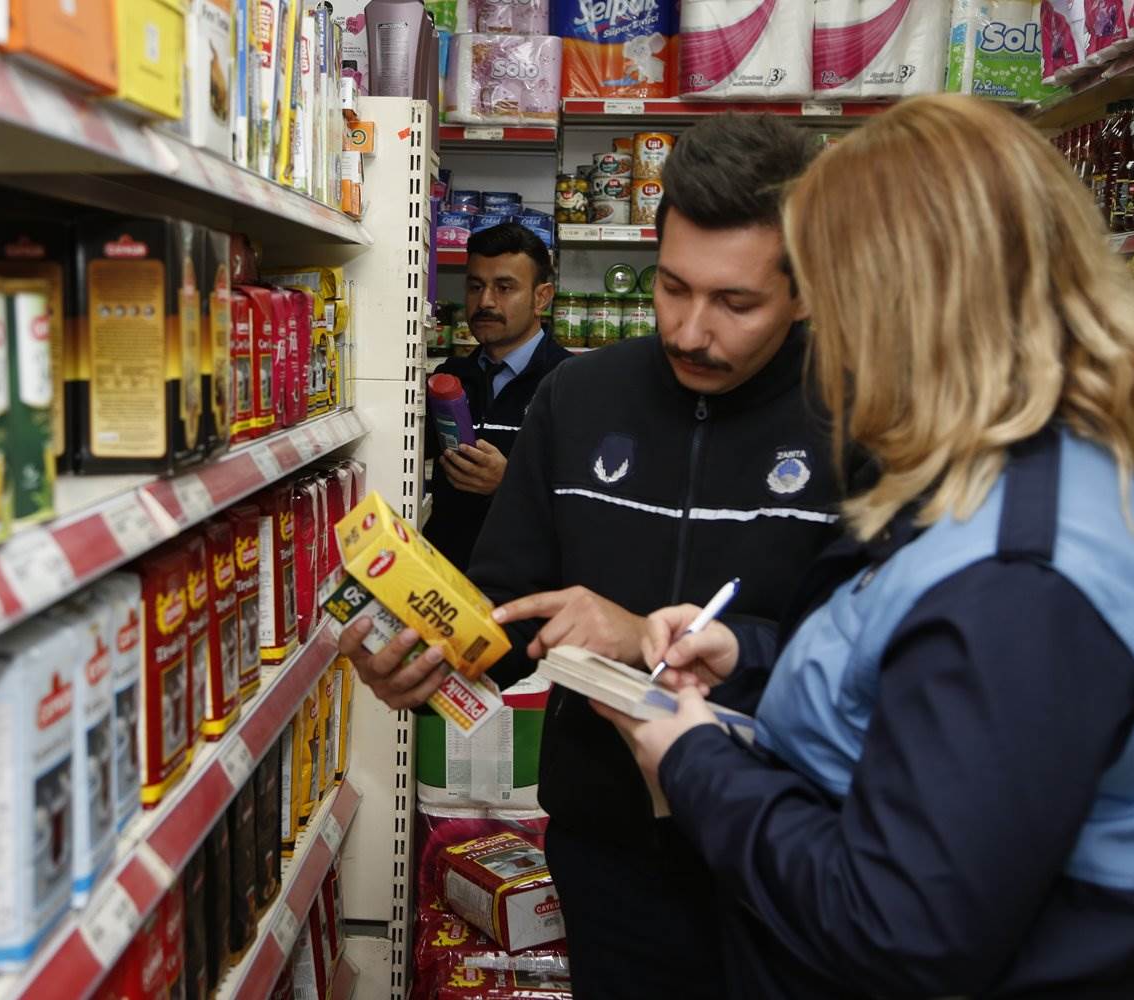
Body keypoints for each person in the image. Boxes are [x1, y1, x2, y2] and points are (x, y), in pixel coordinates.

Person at [603, 94, 1134, 998]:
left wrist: (696, 765)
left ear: (905, 312)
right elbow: (921, 693)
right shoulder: (1022, 472)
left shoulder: (1023, 579)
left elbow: (903, 929)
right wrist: (752, 653)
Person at [342, 115, 856, 996]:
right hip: (609, 850)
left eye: (736, 303)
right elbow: (505, 601)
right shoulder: (579, 399)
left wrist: (644, 640)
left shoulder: (862, 417)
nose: (693, 331)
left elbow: (875, 664)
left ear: (807, 291)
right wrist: (428, 659)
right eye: (673, 288)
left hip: (798, 850)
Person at [421, 223, 571, 568]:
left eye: (504, 287)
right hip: (446, 589)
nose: (485, 301)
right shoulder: (451, 377)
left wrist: (508, 485)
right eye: (475, 286)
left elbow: (590, 508)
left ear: (541, 297)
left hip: (526, 599)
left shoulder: (572, 384)